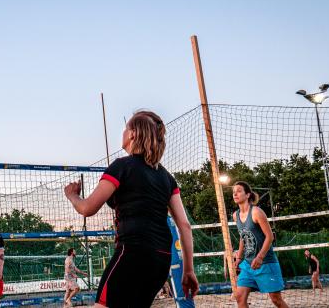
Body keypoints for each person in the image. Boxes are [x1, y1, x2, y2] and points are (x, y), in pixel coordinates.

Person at [64, 110, 199, 307]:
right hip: (161, 260)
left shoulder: (121, 166)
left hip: (132, 252)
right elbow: (184, 225)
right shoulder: (167, 178)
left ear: (133, 134)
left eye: (125, 128)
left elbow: (87, 208)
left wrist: (72, 194)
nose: (123, 132)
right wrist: (189, 271)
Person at [232, 181, 288, 308]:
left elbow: (270, 236)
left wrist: (260, 257)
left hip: (265, 262)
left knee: (276, 299)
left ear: (248, 195)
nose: (235, 193)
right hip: (247, 264)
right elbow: (243, 236)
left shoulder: (256, 212)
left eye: (239, 191)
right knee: (239, 297)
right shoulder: (236, 215)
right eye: (234, 191)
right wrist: (239, 258)